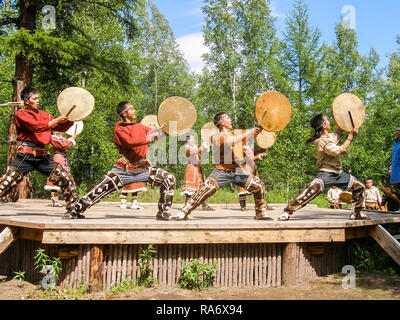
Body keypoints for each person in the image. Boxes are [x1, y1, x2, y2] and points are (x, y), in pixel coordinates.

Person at [70, 101, 177, 220]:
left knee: (169, 179)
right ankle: (76, 210)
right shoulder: (119, 129)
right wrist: (151, 136)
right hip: (123, 170)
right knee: (99, 191)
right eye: (132, 109)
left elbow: (158, 135)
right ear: (124, 113)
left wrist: (170, 125)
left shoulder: (141, 127)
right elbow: (131, 142)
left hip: (142, 169)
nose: (134, 111)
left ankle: (163, 212)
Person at [173, 112, 273, 221]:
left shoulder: (236, 133)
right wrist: (250, 132)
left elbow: (253, 133)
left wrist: (263, 127)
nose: (231, 120)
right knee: (206, 189)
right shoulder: (217, 137)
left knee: (259, 186)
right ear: (221, 122)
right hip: (222, 170)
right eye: (228, 118)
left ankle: (260, 213)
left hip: (238, 171)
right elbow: (231, 141)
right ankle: (184, 212)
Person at [0, 87, 80, 218]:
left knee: (66, 178)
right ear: (26, 100)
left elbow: (59, 126)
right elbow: (36, 126)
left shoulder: (45, 115)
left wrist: (69, 118)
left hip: (42, 157)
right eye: (34, 98)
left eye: (38, 98)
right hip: (25, 155)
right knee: (6, 182)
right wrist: (55, 121)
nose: (38, 100)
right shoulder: (21, 114)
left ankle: (73, 211)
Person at [277, 113, 370, 221]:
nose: (329, 121)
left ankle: (356, 213)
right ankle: (287, 211)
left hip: (338, 174)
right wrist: (350, 136)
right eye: (327, 120)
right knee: (311, 192)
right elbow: (340, 150)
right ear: (324, 125)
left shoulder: (328, 137)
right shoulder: (322, 141)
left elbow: (338, 133)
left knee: (359, 186)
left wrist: (346, 122)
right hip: (326, 173)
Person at [181, 135, 214, 211]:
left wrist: (208, 143)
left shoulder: (195, 147)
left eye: (193, 139)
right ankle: (186, 205)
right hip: (191, 168)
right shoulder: (187, 147)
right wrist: (203, 146)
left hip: (198, 168)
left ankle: (204, 205)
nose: (192, 141)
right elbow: (195, 151)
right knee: (190, 189)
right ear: (187, 141)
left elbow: (202, 150)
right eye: (190, 139)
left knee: (202, 188)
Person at [44, 130, 77, 207]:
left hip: (64, 159)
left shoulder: (63, 139)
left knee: (65, 179)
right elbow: (64, 145)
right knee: (56, 178)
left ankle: (68, 200)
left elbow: (67, 144)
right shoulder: (53, 139)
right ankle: (54, 200)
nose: (59, 132)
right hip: (58, 159)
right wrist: (72, 139)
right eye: (57, 130)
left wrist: (72, 138)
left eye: (60, 130)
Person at [238, 147, 273, 211]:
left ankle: (263, 205)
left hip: (252, 169)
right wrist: (259, 155)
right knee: (243, 188)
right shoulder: (240, 147)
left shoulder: (249, 146)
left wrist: (264, 146)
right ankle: (243, 206)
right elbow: (248, 158)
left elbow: (255, 153)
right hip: (244, 170)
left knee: (260, 186)